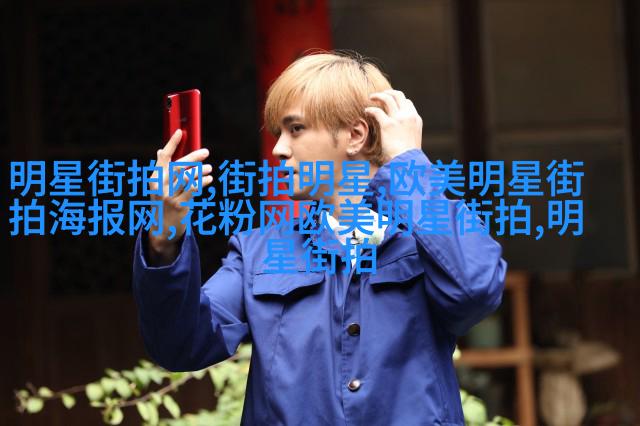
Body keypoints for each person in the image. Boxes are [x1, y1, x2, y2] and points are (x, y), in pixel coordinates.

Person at [132, 51, 507, 425]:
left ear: (356, 135)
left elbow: (475, 289)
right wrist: (165, 233)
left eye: (295, 129)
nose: (279, 149)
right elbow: (179, 345)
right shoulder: (259, 252)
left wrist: (409, 164)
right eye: (279, 133)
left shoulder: (428, 243)